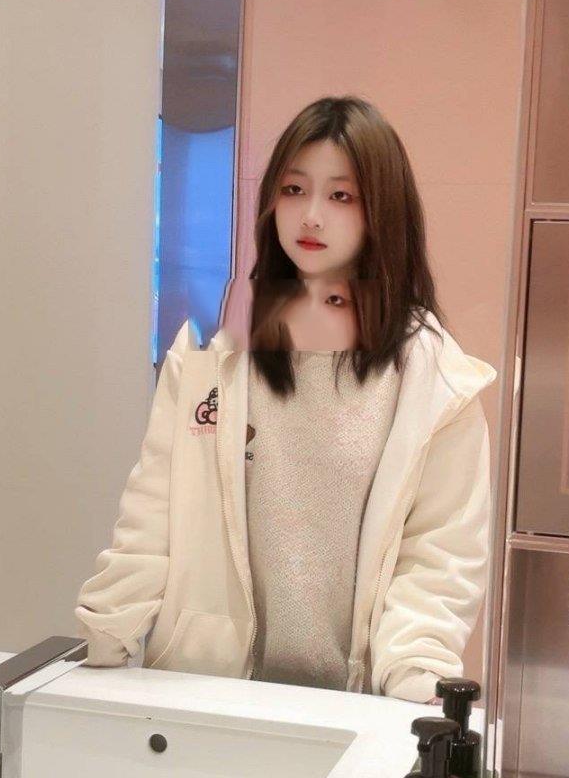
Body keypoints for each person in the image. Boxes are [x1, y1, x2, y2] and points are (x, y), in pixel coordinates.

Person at [75, 96, 497, 705]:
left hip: (357, 706)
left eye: (341, 196)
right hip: (211, 693)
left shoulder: (437, 383)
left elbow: (439, 556)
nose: (311, 216)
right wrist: (106, 633)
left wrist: (416, 671)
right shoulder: (214, 356)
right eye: (294, 190)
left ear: (384, 211)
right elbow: (151, 515)